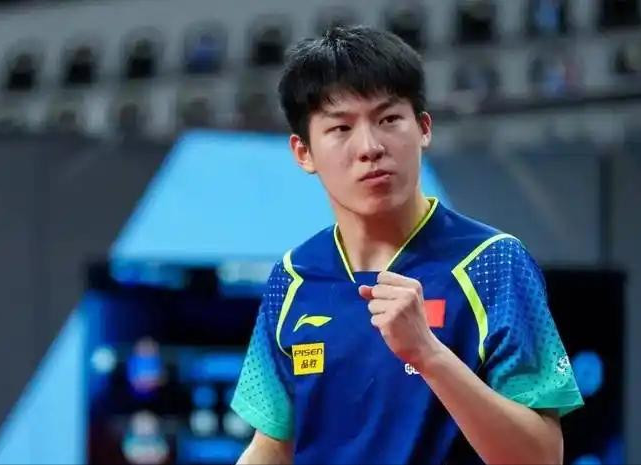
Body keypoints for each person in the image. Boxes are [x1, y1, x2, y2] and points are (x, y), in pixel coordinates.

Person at [230, 25, 584, 464]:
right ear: (304, 153)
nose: (370, 147)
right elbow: (274, 445)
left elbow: (541, 456)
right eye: (341, 128)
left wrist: (427, 353)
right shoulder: (292, 277)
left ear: (423, 128)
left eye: (388, 120)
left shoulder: (493, 263)